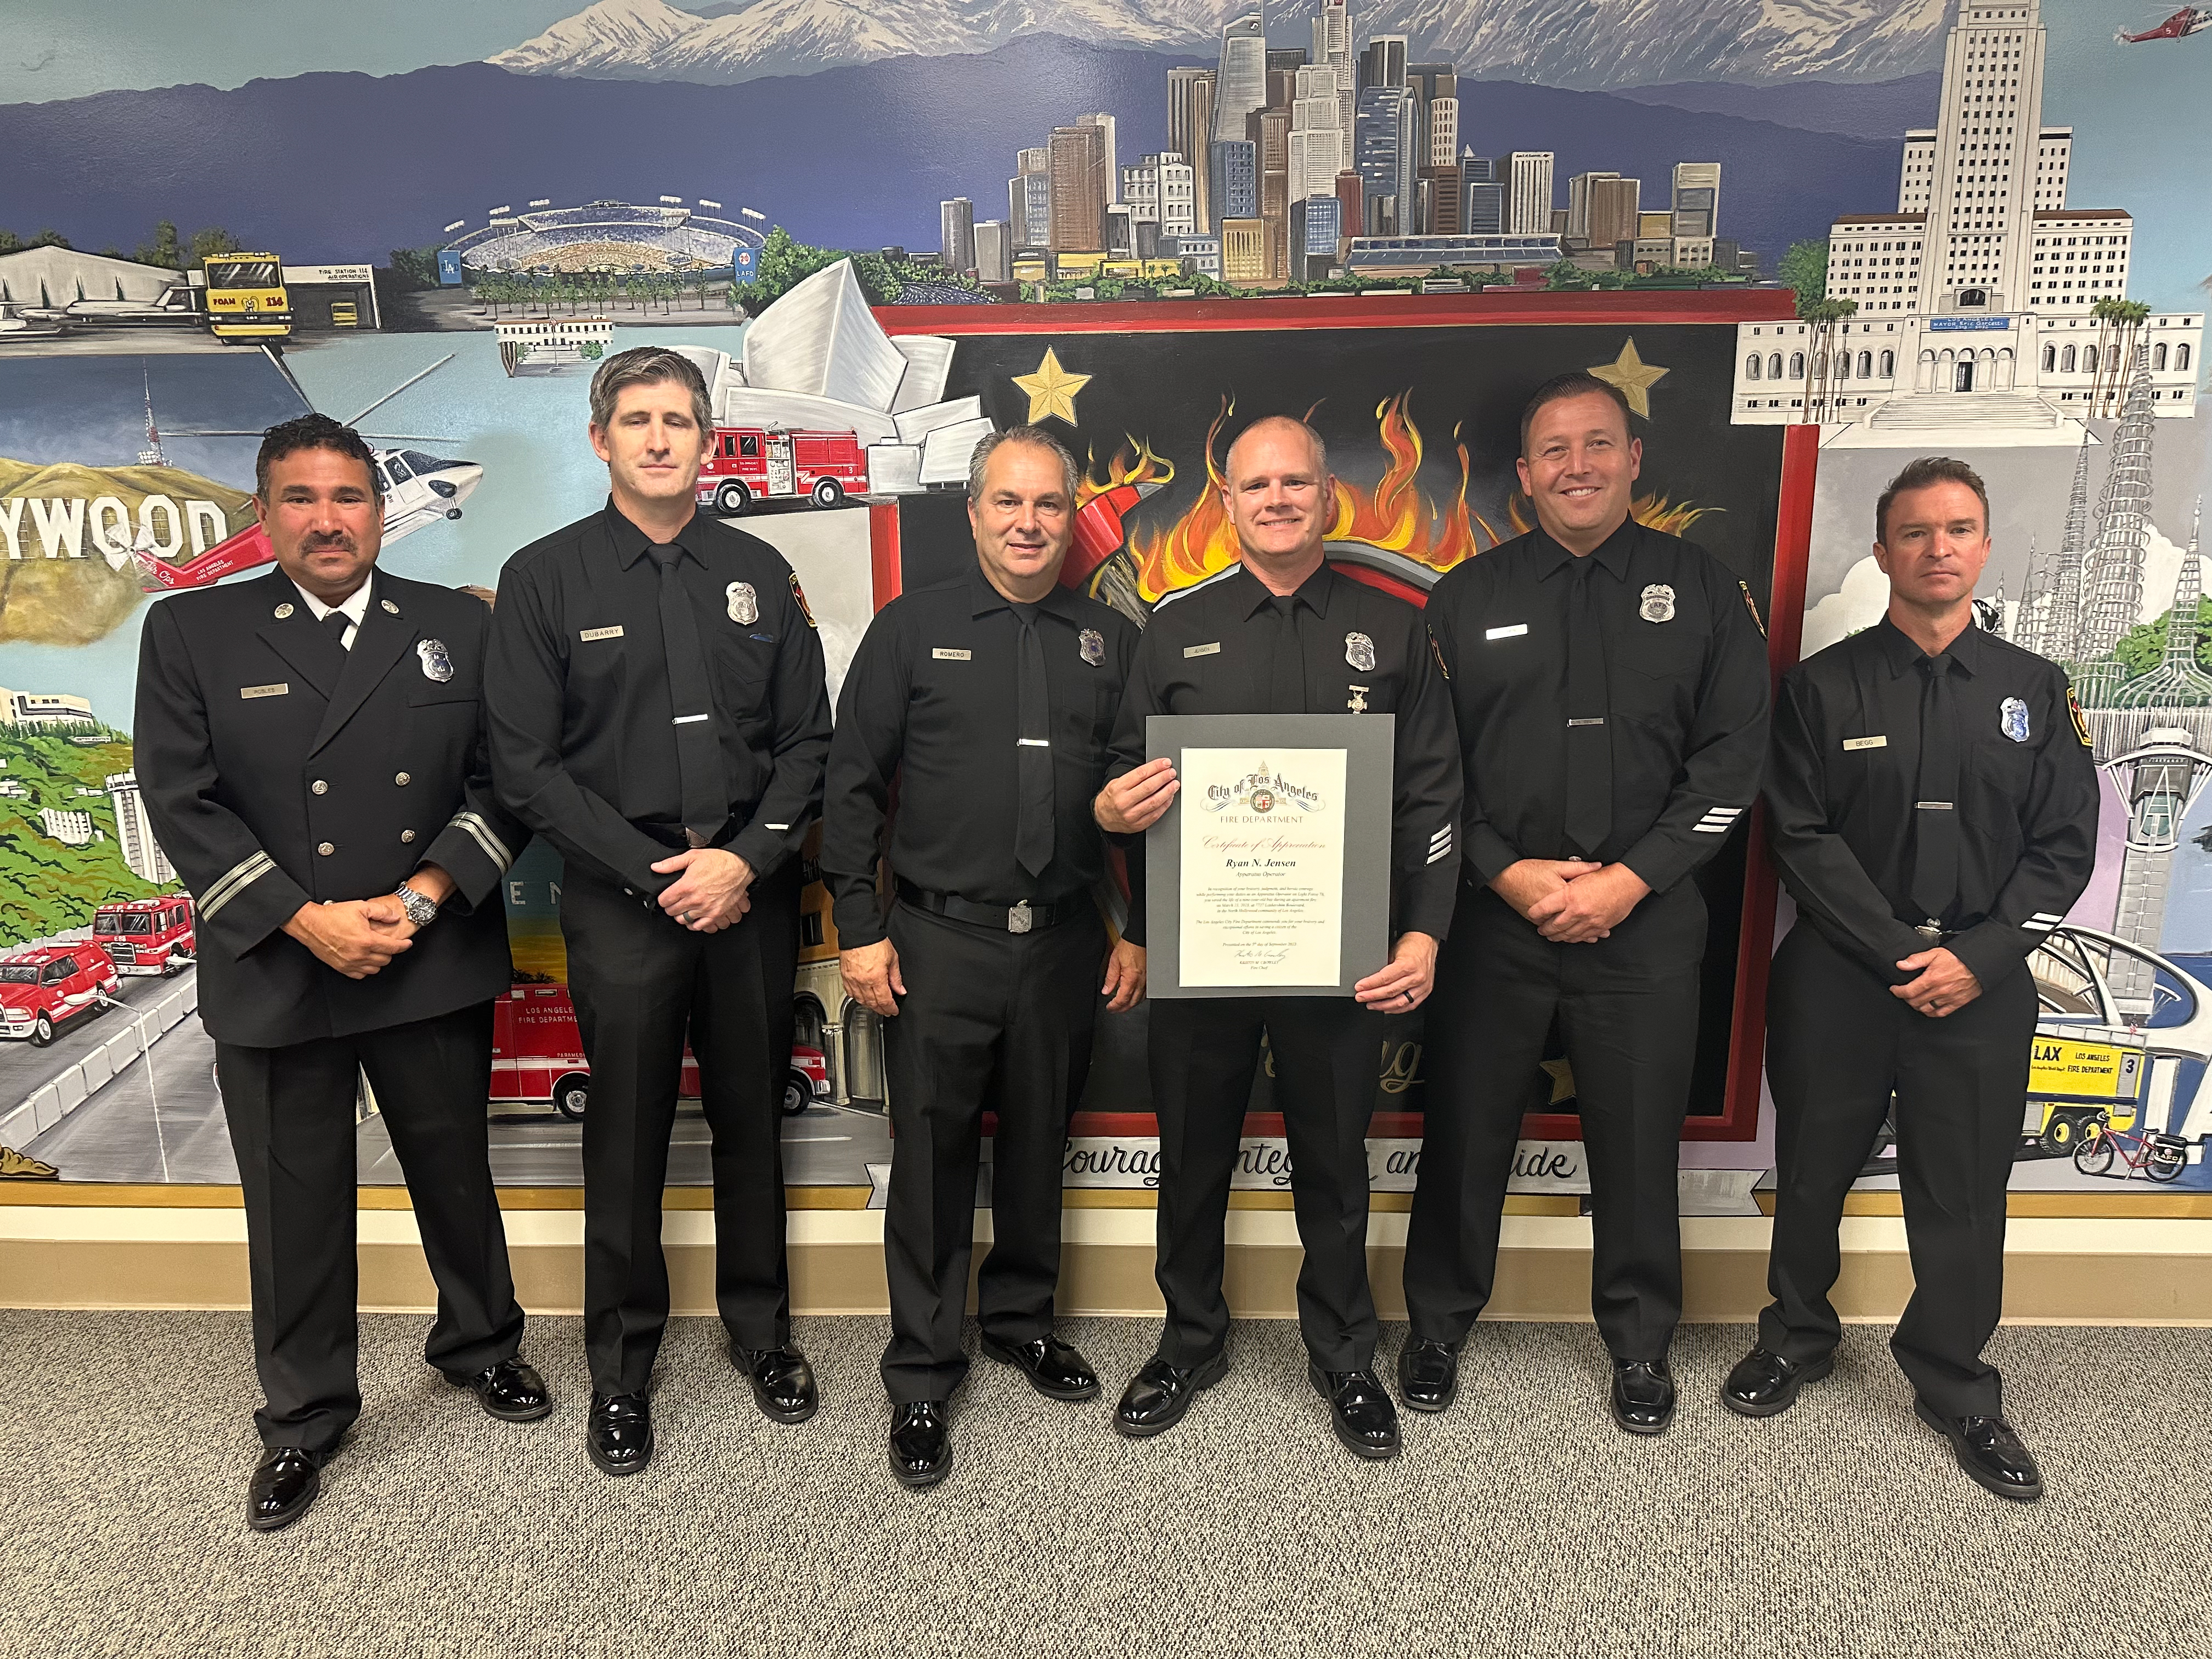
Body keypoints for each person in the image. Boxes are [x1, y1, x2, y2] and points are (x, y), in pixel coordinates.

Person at [135, 413, 546, 1532]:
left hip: (427, 950)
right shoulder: (191, 632)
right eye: (301, 499)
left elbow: (502, 783)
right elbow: (184, 804)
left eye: (349, 497)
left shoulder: (454, 627)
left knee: (458, 1179)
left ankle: (481, 1345)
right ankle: (306, 1417)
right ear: (264, 514)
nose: (329, 520)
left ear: (377, 510)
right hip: (282, 964)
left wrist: (421, 898)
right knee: (295, 1204)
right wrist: (306, 920)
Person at [484, 348, 832, 1477]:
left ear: (706, 439)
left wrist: (745, 862)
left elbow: (805, 746)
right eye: (637, 420)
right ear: (601, 441)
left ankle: (762, 1334)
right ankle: (622, 1370)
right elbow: (527, 768)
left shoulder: (760, 571)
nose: (660, 438)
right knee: (624, 1137)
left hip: (749, 894)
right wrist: (654, 871)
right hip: (622, 900)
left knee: (751, 1122)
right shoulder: (543, 579)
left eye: (680, 420)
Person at [1724, 456, 2097, 1502]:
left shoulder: (2036, 692)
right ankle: (1797, 1339)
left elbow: (2065, 849)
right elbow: (1799, 835)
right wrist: (1898, 952)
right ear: (1883, 551)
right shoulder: (1823, 688)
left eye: (1959, 529)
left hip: (1983, 983)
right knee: (1811, 1175)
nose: (1938, 548)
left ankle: (1955, 1382)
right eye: (1917, 532)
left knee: (1965, 1195)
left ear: (1984, 548)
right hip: (1843, 979)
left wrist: (1975, 959)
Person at [1404, 372, 1770, 1435]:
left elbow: (1733, 763)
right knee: (1465, 1136)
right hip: (1493, 921)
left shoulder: (1703, 593)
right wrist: (1506, 873)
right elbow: (1433, 776)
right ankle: (1437, 1324)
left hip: (1646, 925)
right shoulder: (1464, 599)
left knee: (1639, 1140)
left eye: (1598, 445)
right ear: (1524, 476)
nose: (1578, 466)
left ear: (1634, 459)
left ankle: (1642, 1343)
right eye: (1555, 451)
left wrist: (1629, 880)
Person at [1096, 415, 1461, 1462]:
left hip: (1343, 960)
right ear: (1228, 504)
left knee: (1334, 1162)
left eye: (1295, 482)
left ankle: (1344, 1353)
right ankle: (1189, 1337)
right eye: (1256, 486)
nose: (1278, 500)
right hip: (1202, 950)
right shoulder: (1175, 628)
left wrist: (1425, 932)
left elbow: (1434, 795)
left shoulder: (1394, 630)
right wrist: (1115, 819)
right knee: (1192, 1155)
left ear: (1326, 495)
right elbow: (1121, 778)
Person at [823, 426, 1146, 1488]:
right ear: (973, 514)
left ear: (1069, 516)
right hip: (934, 941)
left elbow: (1134, 799)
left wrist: (1132, 927)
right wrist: (858, 933)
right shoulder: (910, 628)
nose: (1029, 524)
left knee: (1039, 1144)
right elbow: (853, 789)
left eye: (1049, 505)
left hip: (1057, 945)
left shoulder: (1107, 641)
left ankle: (1018, 1318)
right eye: (1008, 503)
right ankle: (921, 1371)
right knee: (931, 1160)